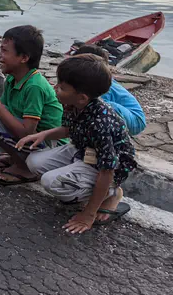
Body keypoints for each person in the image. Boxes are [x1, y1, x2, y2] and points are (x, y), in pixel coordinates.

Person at [19, 54, 137, 233]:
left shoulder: (100, 124)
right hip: (83, 151)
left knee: (50, 182)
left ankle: (110, 193)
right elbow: (67, 129)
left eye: (62, 87)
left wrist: (89, 215)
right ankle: (83, 184)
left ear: (82, 97)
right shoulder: (71, 104)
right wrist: (43, 135)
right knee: (33, 162)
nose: (55, 88)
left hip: (107, 166)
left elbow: (107, 169)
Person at [0, 25, 64, 185]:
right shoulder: (11, 79)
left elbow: (26, 132)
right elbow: (5, 111)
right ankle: (16, 158)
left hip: (50, 145)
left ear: (24, 58)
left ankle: (25, 169)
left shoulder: (34, 86)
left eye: (4, 51)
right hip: (33, 138)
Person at [72, 45, 146, 135]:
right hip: (125, 116)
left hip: (136, 121)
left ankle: (111, 132)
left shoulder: (102, 84)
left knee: (101, 106)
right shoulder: (94, 78)